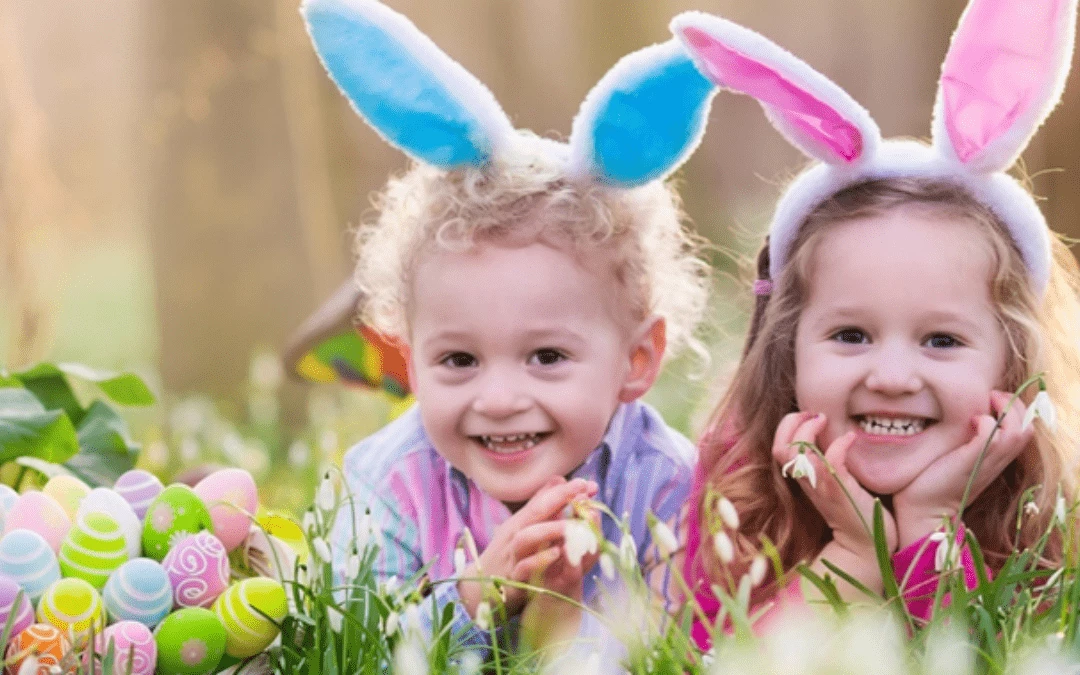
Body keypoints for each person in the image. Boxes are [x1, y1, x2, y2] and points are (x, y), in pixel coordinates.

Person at [301, 0, 718, 659]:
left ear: (636, 360)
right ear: (408, 357)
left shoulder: (665, 482)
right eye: (459, 359)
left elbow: (694, 647)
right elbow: (350, 648)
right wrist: (476, 598)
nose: (497, 398)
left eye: (546, 355)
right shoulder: (389, 482)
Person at [669, 0, 1080, 649]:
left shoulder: (1045, 493)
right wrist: (855, 555)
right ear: (788, 346)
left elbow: (995, 659)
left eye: (942, 340)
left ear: (1012, 359)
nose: (891, 376)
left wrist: (932, 522)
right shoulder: (740, 473)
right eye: (851, 335)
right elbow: (724, 660)